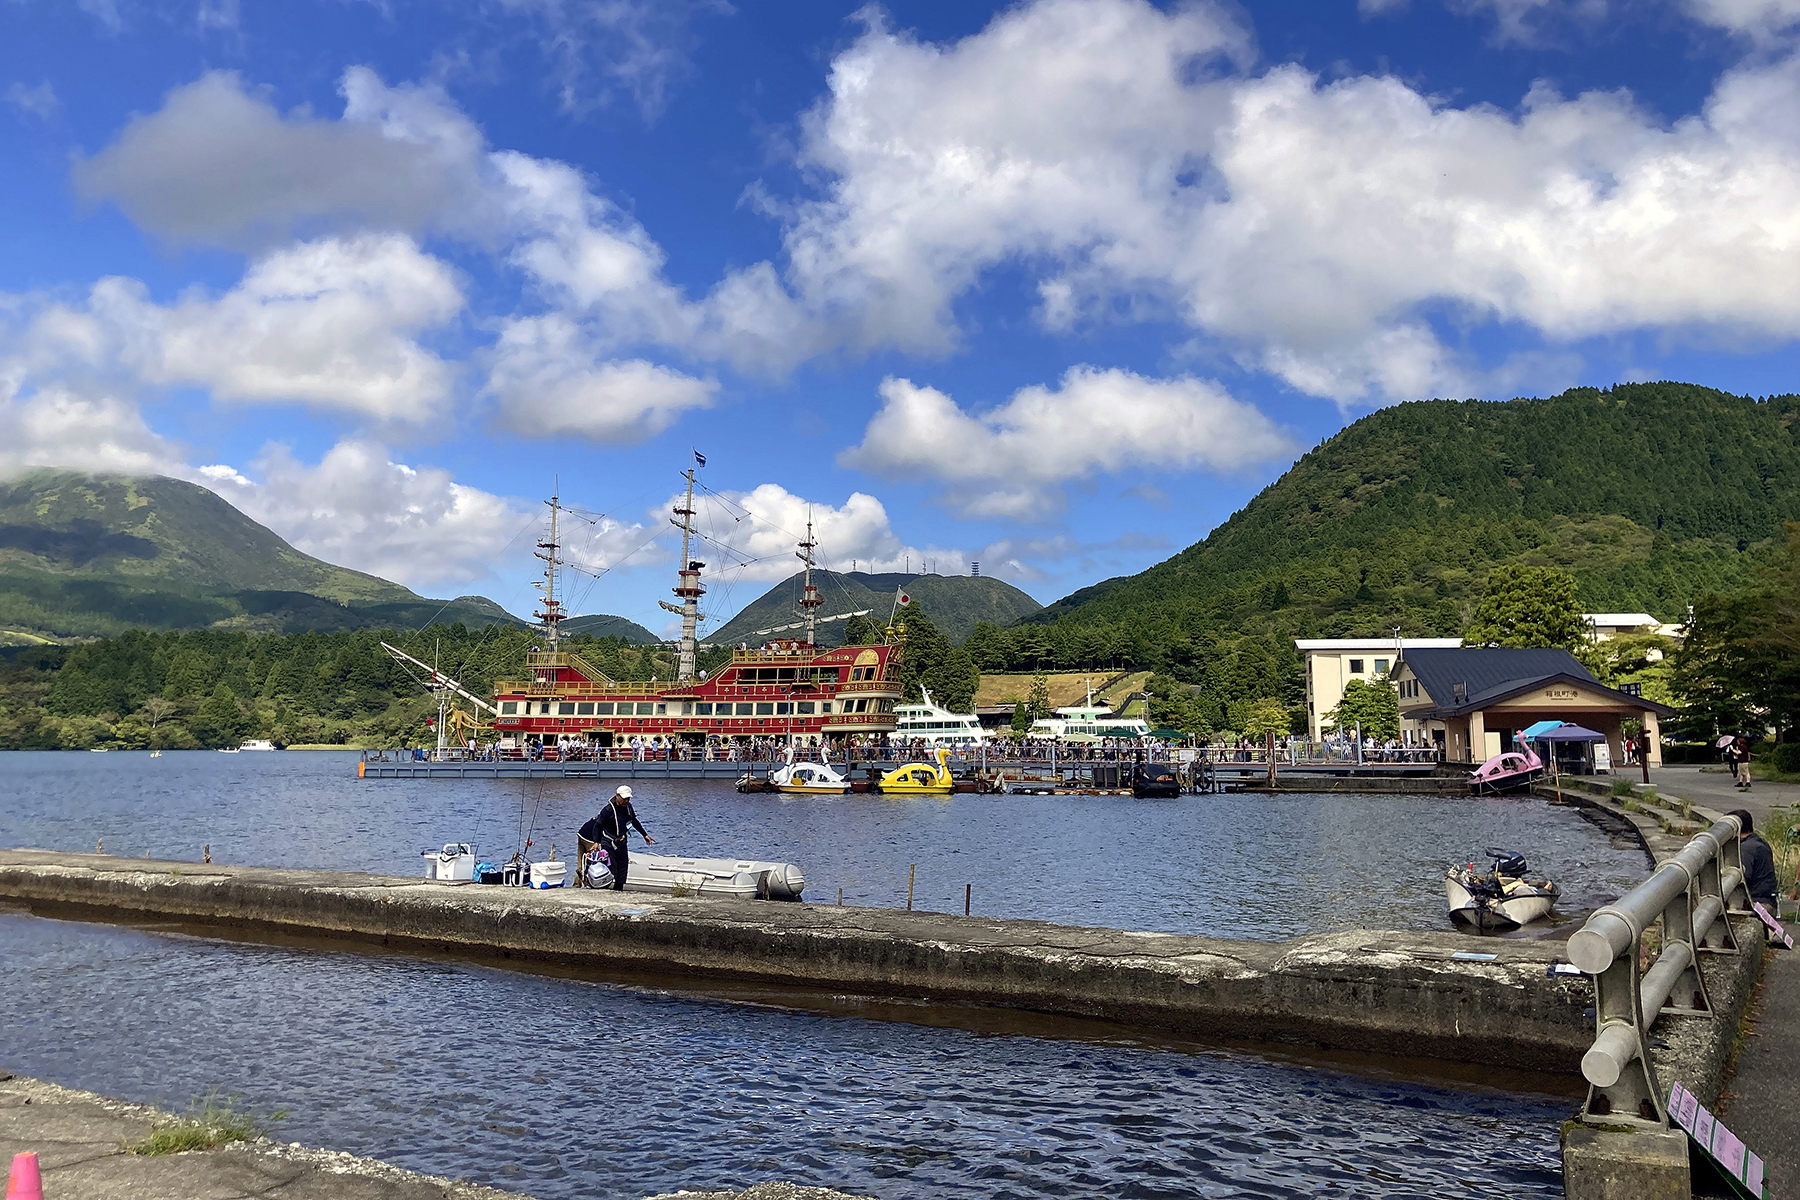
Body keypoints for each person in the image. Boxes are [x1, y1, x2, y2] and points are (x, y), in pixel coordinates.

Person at [578, 786, 655, 891]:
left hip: (621, 842)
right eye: (624, 799)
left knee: (623, 868)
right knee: (613, 868)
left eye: (628, 799)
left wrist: (644, 835)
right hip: (608, 842)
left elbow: (634, 821)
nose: (626, 801)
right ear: (617, 796)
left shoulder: (628, 807)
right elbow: (597, 826)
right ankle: (606, 888)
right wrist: (596, 842)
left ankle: (619, 889)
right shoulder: (608, 810)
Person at [1730, 809, 1779, 922]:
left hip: (1757, 903)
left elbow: (1741, 879)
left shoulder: (1745, 849)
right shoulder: (1760, 843)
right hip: (1769, 903)